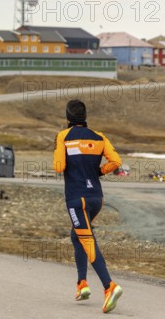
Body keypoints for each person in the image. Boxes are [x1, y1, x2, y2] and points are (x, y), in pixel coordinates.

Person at [53, 99, 123, 314]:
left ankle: (109, 286)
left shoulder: (64, 136)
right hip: (96, 199)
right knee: (77, 236)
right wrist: (98, 172)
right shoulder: (99, 137)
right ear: (85, 117)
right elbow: (116, 162)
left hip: (76, 199)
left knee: (86, 239)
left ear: (67, 118)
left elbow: (59, 167)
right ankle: (82, 284)